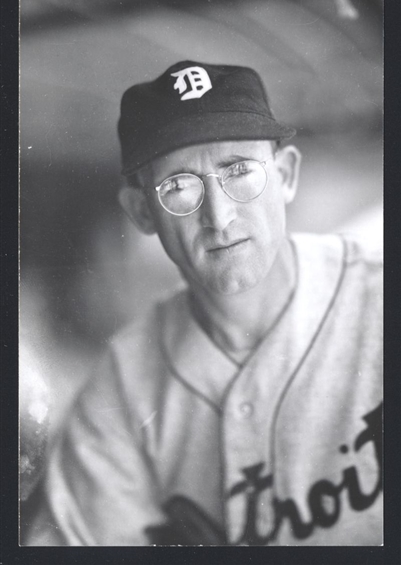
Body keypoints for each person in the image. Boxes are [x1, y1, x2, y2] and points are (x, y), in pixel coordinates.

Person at [27, 61, 382, 546]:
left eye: (239, 171)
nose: (220, 215)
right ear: (142, 213)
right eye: (179, 186)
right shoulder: (125, 385)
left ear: (286, 176)